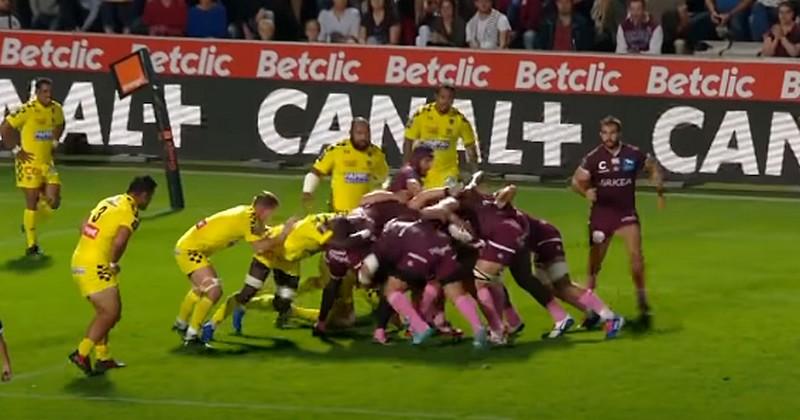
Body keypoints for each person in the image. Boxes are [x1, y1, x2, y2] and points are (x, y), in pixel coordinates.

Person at [571, 116, 665, 328]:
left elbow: (652, 165)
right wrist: (585, 192)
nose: (608, 137)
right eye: (605, 133)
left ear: (619, 134)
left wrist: (658, 186)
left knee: (636, 258)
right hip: (601, 216)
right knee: (594, 265)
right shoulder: (593, 158)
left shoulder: (632, 153)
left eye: (612, 133)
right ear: (600, 134)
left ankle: (643, 303)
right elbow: (576, 181)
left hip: (626, 214)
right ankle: (590, 309)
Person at [172, 192, 292, 346]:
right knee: (214, 290)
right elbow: (259, 247)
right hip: (191, 251)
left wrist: (280, 230)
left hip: (189, 246)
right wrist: (283, 235)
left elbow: (261, 231)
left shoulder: (247, 213)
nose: (270, 217)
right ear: (264, 210)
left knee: (200, 289)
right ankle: (192, 336)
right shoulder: (249, 219)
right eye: (271, 213)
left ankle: (181, 323)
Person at [68, 176, 157, 376]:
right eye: (150, 197)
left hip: (80, 258)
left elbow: (83, 224)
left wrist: (95, 241)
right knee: (111, 313)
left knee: (105, 313)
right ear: (143, 195)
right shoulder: (129, 212)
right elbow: (119, 242)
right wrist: (112, 263)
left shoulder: (109, 201)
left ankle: (103, 357)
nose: (149, 202)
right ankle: (81, 353)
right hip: (96, 265)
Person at [1, 78, 65, 257]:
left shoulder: (56, 109)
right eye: (44, 92)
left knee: (54, 201)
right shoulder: (26, 110)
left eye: (49, 91)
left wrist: (54, 141)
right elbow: (4, 128)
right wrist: (16, 150)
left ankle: (30, 222)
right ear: (37, 93)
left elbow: (61, 124)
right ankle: (32, 245)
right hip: (28, 163)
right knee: (31, 200)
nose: (48, 95)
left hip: (47, 162)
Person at [404, 85, 479, 189]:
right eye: (443, 97)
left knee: (448, 198)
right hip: (424, 172)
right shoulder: (422, 114)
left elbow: (470, 146)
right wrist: (406, 168)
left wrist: (475, 173)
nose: (445, 102)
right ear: (436, 96)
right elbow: (408, 140)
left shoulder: (459, 120)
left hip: (448, 173)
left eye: (450, 98)